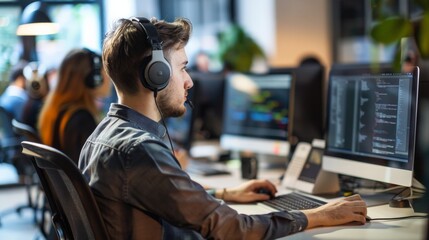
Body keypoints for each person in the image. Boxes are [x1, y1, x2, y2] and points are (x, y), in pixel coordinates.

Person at [78, 17, 367, 239]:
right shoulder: (139, 150)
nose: (189, 81)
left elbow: (161, 196)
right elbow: (232, 229)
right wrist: (316, 216)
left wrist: (225, 193)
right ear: (156, 74)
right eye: (182, 68)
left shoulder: (100, 138)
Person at [38, 48, 111, 164]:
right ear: (93, 79)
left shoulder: (58, 111)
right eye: (105, 71)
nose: (109, 77)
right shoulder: (81, 120)